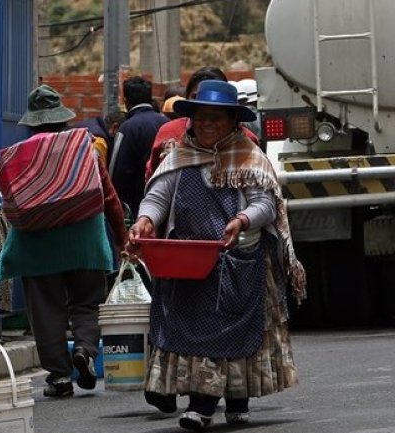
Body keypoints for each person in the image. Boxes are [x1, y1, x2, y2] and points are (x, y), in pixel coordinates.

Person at [127, 80, 306, 431]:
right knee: (198, 330)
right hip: (189, 264)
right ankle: (202, 403)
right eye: (201, 117)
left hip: (239, 261)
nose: (207, 124)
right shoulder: (179, 155)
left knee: (238, 331)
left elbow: (266, 204)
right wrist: (146, 221)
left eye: (217, 118)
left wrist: (241, 220)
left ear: (233, 122)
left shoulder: (250, 158)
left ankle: (237, 399)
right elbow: (159, 196)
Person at [0, 85, 128, 398]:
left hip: (36, 246)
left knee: (46, 310)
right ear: (62, 118)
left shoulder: (20, 155)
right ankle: (85, 350)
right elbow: (109, 197)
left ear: (32, 122)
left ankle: (59, 377)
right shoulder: (86, 148)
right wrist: (121, 238)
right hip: (85, 240)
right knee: (88, 301)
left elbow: (9, 203)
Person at [145, 67, 258, 182]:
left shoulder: (247, 141)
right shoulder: (169, 132)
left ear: (232, 116)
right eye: (196, 97)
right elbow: (153, 179)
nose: (207, 123)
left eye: (216, 116)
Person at [110, 76, 169, 220]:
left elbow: (117, 170)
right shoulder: (166, 123)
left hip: (138, 206)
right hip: (166, 200)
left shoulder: (127, 128)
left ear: (126, 102)